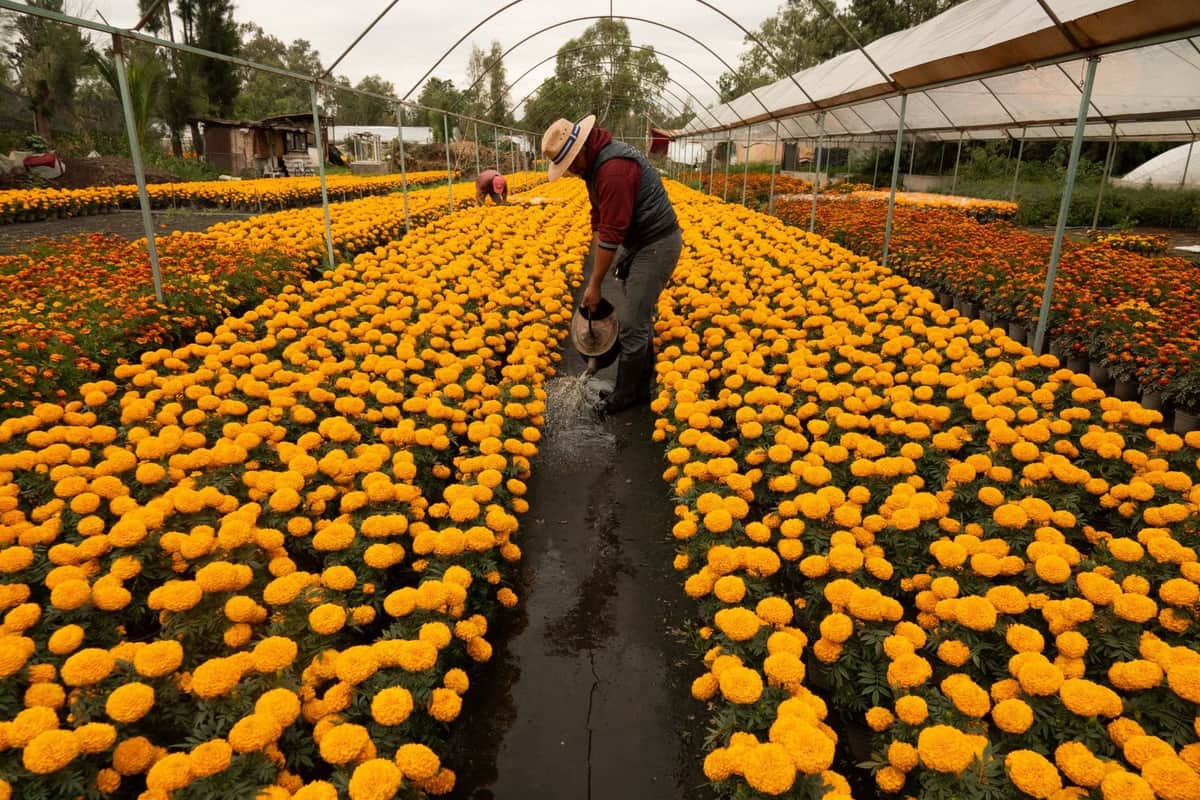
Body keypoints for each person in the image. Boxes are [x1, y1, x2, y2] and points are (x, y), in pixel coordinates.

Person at [541, 113, 682, 415]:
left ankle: (628, 394)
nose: (571, 174)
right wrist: (595, 276)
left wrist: (594, 284)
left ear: (580, 151)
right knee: (637, 318)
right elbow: (599, 220)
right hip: (640, 244)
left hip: (656, 244)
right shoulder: (594, 167)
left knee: (632, 322)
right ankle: (641, 386)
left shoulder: (613, 170)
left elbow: (613, 232)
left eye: (570, 166)